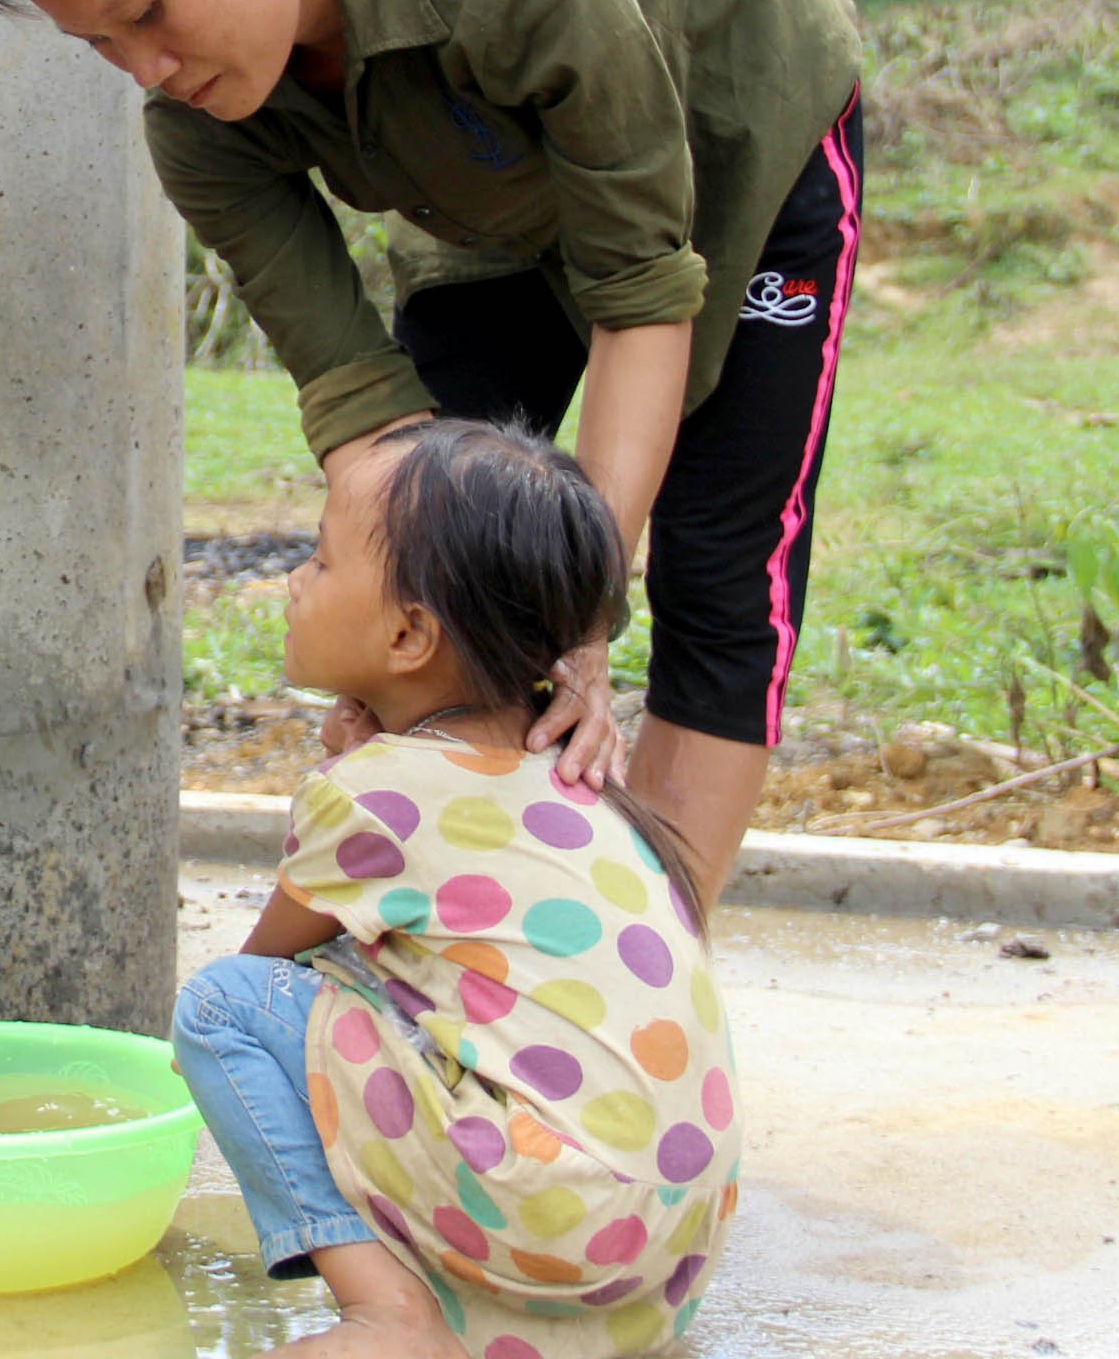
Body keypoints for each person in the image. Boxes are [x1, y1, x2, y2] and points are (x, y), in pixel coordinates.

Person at [0, 0, 864, 904]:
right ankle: (441, 950)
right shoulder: (199, 126)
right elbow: (367, 416)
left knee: (719, 566)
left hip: (733, 152)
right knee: (425, 567)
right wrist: (407, 656)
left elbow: (640, 297)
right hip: (486, 203)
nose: (143, 71)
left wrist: (575, 622)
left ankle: (644, 984)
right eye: (99, 43)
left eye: (150, 13)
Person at [172, 421, 735, 1359]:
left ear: (407, 634)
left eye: (317, 561)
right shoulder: (575, 777)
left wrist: (351, 778)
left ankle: (388, 1316)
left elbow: (271, 973)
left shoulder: (375, 796)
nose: (293, 583)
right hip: (667, 1253)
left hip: (549, 1207)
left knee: (224, 1010)